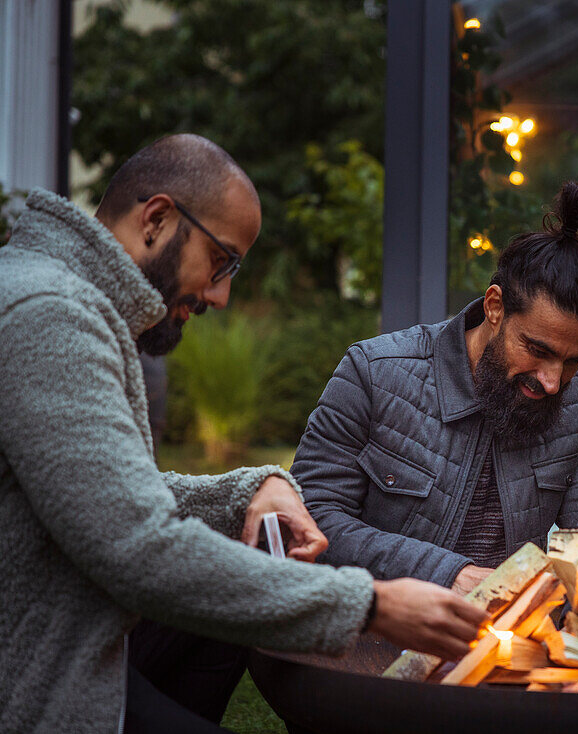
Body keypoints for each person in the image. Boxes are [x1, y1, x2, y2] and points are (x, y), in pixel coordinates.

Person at [0, 134, 486, 734]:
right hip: (35, 688)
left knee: (250, 532)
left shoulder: (60, 298)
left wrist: (250, 490)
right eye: (222, 261)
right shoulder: (51, 315)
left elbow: (108, 492)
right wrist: (373, 605)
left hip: (76, 648)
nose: (221, 296)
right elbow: (138, 548)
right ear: (157, 218)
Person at [293, 181, 578, 594]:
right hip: (373, 634)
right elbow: (311, 515)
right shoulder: (373, 373)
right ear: (495, 307)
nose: (551, 381)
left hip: (498, 645)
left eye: (573, 359)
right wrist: (448, 575)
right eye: (536, 349)